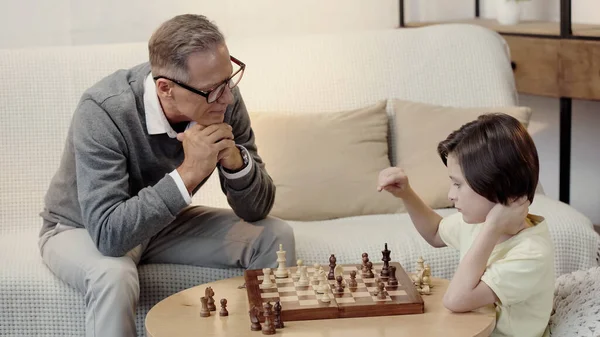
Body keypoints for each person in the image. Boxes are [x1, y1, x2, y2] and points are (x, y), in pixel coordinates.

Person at [38, 14, 295, 337]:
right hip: (82, 227)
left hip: (161, 224)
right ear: (166, 88)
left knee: (275, 235)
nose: (227, 97)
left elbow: (256, 210)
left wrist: (234, 160)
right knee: (113, 276)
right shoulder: (103, 109)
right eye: (213, 90)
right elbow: (110, 236)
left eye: (229, 81)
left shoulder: (222, 101)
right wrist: (188, 173)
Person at [378, 113, 554, 337]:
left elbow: (456, 300)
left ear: (498, 186)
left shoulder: (531, 254)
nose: (451, 195)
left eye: (458, 184)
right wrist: (406, 194)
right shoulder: (478, 223)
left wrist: (492, 229)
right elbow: (434, 233)